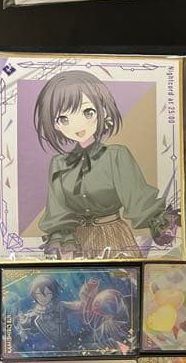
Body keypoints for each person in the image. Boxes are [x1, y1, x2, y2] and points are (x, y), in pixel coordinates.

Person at [33, 70, 178, 260]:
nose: (77, 125)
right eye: (64, 119)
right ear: (55, 125)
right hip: (75, 242)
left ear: (103, 111)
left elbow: (136, 197)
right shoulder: (59, 163)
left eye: (87, 112)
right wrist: (61, 237)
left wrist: (158, 222)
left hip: (113, 236)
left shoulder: (116, 155)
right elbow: (57, 209)